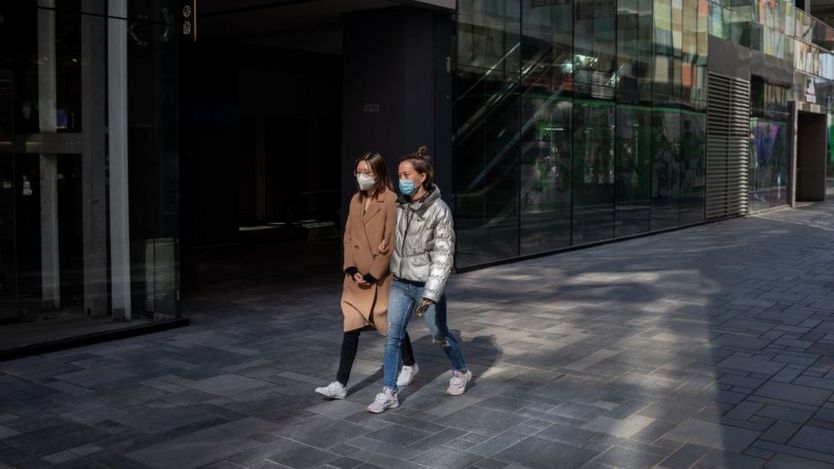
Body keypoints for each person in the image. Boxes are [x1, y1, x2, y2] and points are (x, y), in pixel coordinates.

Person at [367, 145, 471, 414]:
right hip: (401, 283)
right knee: (393, 336)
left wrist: (431, 294)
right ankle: (388, 391)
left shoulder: (439, 211)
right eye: (399, 175)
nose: (400, 180)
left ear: (421, 176)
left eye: (405, 174)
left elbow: (443, 255)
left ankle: (460, 371)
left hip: (426, 287)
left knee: (439, 334)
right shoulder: (399, 206)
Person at [315, 152, 419, 400]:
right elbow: (348, 235)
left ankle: (410, 363)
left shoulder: (392, 200)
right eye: (359, 172)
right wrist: (350, 268)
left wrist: (373, 274)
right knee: (350, 328)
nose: (362, 177)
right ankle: (340, 384)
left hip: (380, 279)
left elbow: (392, 241)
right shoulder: (355, 200)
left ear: (379, 174)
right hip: (354, 279)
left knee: (390, 327)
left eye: (367, 172)